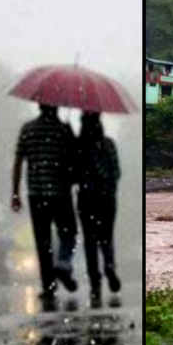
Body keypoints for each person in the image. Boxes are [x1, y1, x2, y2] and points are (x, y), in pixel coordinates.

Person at [11, 103, 79, 305]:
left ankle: (48, 287)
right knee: (68, 232)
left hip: (36, 194)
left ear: (39, 106)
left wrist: (15, 193)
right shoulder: (63, 130)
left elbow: (18, 161)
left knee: (43, 242)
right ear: (56, 107)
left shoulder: (28, 129)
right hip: (60, 193)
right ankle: (64, 263)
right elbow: (74, 160)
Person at [75, 112, 122, 308]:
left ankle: (95, 281)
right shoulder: (108, 144)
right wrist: (107, 187)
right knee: (106, 237)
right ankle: (109, 267)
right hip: (107, 200)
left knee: (90, 241)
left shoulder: (80, 148)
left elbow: (73, 175)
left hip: (86, 200)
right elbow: (116, 172)